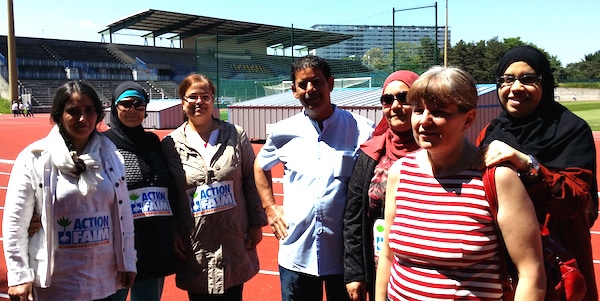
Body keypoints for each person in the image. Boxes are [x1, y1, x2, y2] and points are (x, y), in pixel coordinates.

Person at [376, 66, 546, 301]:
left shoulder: (497, 179)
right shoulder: (400, 172)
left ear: (469, 119)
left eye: (438, 111)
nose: (424, 121)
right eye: (418, 110)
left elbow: (531, 272)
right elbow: (388, 256)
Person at [474, 45, 598, 300]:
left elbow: (576, 202)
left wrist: (528, 165)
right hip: (501, 265)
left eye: (528, 79)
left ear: (545, 83)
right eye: (507, 79)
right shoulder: (491, 131)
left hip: (556, 266)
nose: (516, 87)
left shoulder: (571, 131)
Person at [253, 55, 374, 301]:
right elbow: (260, 166)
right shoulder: (282, 132)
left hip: (345, 257)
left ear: (330, 83)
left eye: (317, 82)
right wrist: (270, 207)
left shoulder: (362, 129)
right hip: (296, 253)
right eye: (302, 84)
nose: (310, 89)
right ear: (294, 91)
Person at [3, 81, 137, 301]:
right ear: (58, 116)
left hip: (102, 278)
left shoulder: (112, 157)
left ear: (98, 115)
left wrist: (128, 261)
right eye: (72, 112)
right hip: (57, 283)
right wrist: (19, 276)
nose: (82, 118)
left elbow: (123, 216)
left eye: (89, 110)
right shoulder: (34, 158)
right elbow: (15, 222)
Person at [161, 73, 267, 301]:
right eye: (192, 97)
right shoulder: (170, 144)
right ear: (182, 101)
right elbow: (167, 193)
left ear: (213, 99)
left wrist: (257, 223)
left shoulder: (236, 135)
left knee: (233, 291)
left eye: (205, 96)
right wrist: (173, 230)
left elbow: (251, 179)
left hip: (233, 239)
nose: (199, 102)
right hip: (196, 242)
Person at [343, 70, 419, 301]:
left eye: (404, 98)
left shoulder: (437, 151)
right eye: (388, 99)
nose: (395, 105)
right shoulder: (370, 153)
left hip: (423, 270)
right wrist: (355, 272)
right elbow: (353, 218)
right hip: (379, 271)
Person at [104, 81, 177, 301]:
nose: (132, 110)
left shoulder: (153, 141)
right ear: (115, 108)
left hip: (154, 239)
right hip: (118, 244)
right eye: (126, 104)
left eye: (138, 104)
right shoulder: (103, 144)